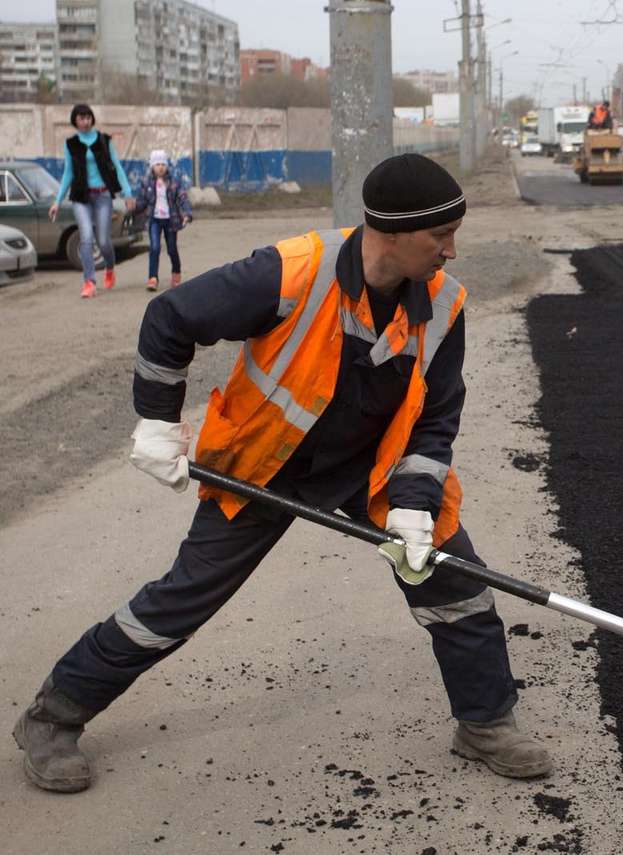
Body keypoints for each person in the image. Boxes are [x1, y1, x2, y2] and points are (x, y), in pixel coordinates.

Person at [12, 153, 553, 794]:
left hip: (370, 470)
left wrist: (413, 505)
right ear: (392, 232)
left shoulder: (444, 304)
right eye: (440, 236)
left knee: (454, 583)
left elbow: (436, 418)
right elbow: (170, 319)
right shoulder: (291, 271)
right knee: (177, 604)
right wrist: (157, 423)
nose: (451, 251)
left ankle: (486, 723)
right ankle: (54, 715)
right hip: (266, 464)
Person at [49, 104, 135, 299]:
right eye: (81, 118)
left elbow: (117, 167)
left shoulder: (104, 140)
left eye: (88, 117)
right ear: (75, 120)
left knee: (104, 240)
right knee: (86, 237)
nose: (85, 121)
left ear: (92, 119)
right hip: (81, 198)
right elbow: (68, 173)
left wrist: (128, 194)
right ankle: (89, 282)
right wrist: (57, 201)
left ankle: (110, 268)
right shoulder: (71, 144)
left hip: (103, 196)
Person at [134, 150, 193, 292]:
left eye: (163, 164)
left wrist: (186, 213)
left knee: (172, 248)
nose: (160, 167)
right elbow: (142, 201)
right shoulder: (146, 182)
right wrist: (134, 206)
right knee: (154, 248)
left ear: (167, 166)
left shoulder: (174, 182)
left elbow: (182, 198)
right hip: (154, 220)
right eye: (157, 164)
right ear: (152, 166)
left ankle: (176, 273)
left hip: (170, 220)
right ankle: (152, 278)